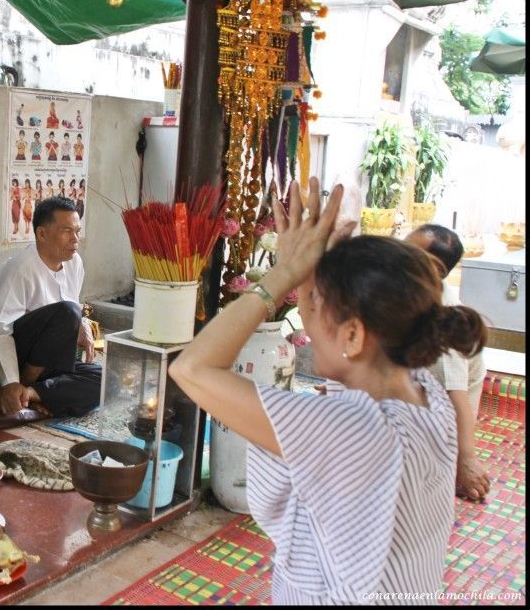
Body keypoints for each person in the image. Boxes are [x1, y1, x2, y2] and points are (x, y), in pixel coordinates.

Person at [169, 178, 487, 604]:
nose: (303, 309)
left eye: (315, 302)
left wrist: (282, 274)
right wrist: (321, 265)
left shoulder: (353, 428)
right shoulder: (423, 393)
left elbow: (192, 368)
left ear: (354, 334)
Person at [0, 197, 101, 424]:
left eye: (78, 231)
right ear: (42, 234)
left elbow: (71, 302)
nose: (75, 239)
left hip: (51, 360)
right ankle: (14, 388)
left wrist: (83, 323)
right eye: (67, 231)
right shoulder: (20, 268)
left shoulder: (75, 263)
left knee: (108, 381)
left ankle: (30, 395)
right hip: (17, 358)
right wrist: (10, 381)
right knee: (68, 313)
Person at [406, 223, 490, 502]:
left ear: (433, 271)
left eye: (409, 252)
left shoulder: (443, 319)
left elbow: (458, 397)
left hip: (437, 425)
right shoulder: (405, 294)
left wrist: (466, 462)